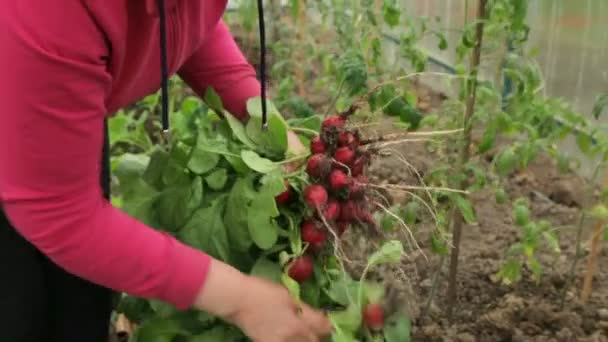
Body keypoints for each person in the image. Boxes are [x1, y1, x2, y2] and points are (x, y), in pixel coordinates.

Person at [0, 1, 332, 341]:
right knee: (18, 311)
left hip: (50, 102)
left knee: (78, 306)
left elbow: (186, 19)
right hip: (17, 99)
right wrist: (242, 300)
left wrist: (277, 135)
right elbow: (61, 212)